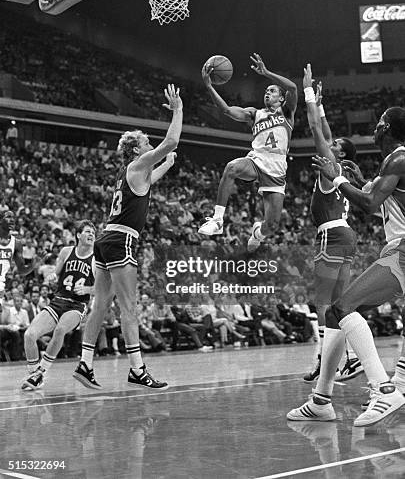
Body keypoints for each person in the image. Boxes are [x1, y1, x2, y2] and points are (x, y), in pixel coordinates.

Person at [287, 106, 405, 427]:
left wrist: (337, 178)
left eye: (380, 124)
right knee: (335, 313)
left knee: (339, 307)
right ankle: (322, 400)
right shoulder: (393, 164)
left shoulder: (398, 158)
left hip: (400, 251)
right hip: (392, 248)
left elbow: (369, 203)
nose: (376, 128)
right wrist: (358, 180)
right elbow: (381, 195)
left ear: (389, 129)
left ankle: (384, 389)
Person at [73, 84, 182, 390]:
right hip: (122, 241)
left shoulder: (130, 173)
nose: (151, 145)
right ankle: (136, 369)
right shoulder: (137, 164)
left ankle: (85, 363)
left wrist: (165, 165)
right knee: (128, 306)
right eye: (147, 143)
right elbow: (172, 140)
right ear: (136, 150)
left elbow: (149, 184)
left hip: (106, 239)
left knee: (101, 304)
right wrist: (178, 110)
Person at [198, 53, 297, 251]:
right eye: (266, 91)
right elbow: (226, 110)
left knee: (272, 226)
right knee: (232, 168)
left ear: (281, 97)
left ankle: (257, 233)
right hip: (257, 160)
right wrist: (209, 86)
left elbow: (293, 87)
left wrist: (267, 73)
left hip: (277, 168)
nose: (267, 93)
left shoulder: (287, 112)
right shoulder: (254, 113)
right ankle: (217, 220)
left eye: (272, 91)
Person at [302, 65, 363, 382]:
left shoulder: (331, 165)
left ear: (339, 151)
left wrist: (308, 92)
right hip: (347, 236)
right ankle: (351, 357)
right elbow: (325, 130)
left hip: (332, 236)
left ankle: (323, 360)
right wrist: (322, 102)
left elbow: (316, 129)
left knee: (321, 302)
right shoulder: (341, 170)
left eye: (335, 142)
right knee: (339, 303)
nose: (331, 141)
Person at [21, 220, 96, 390]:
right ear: (78, 235)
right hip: (58, 300)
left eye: (93, 232)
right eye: (87, 231)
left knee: (60, 330)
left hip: (77, 305)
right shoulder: (66, 252)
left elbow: (101, 289)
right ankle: (35, 374)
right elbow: (56, 273)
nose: (91, 234)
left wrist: (87, 288)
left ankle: (42, 371)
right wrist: (52, 277)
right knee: (29, 335)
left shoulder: (96, 259)